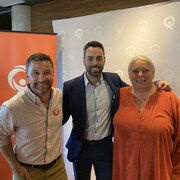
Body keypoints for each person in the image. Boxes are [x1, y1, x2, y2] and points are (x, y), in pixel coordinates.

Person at [63, 41, 171, 180]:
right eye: (90, 58)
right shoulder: (71, 87)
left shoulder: (113, 79)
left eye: (99, 58)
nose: (95, 62)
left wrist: (156, 82)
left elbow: (135, 89)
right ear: (84, 60)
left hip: (105, 147)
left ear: (104, 60)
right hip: (81, 147)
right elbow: (61, 118)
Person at [0, 53, 67, 180]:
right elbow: (1, 135)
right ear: (27, 75)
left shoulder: (60, 97)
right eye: (35, 73)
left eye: (47, 72)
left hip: (57, 168)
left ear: (53, 73)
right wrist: (15, 167)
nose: (42, 78)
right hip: (28, 172)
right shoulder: (12, 107)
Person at [113, 55, 180, 180]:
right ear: (128, 74)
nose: (140, 74)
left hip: (160, 173)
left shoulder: (170, 99)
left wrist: (177, 175)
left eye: (145, 70)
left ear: (153, 73)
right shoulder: (119, 96)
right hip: (124, 173)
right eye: (135, 71)